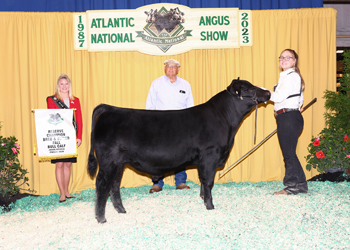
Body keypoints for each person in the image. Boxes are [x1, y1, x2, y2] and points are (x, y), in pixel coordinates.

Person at [146, 59, 194, 193]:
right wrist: (150, 123)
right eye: (168, 66)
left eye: (173, 66)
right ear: (165, 68)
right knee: (158, 153)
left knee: (182, 153)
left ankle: (181, 182)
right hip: (160, 123)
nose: (171, 68)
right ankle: (157, 183)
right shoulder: (156, 83)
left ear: (178, 69)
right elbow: (150, 104)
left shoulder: (185, 84)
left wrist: (190, 123)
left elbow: (190, 106)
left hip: (181, 123)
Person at [270, 49, 308, 195]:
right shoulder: (289, 77)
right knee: (290, 153)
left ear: (294, 61)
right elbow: (300, 99)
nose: (284, 59)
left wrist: (263, 93)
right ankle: (301, 185)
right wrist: (296, 108)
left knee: (289, 154)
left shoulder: (291, 76)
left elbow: (279, 96)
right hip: (289, 116)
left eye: (288, 57)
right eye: (282, 57)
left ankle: (291, 186)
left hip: (288, 117)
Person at [47, 74, 83, 202]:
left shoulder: (76, 100)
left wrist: (79, 136)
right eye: (61, 84)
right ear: (58, 86)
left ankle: (67, 191)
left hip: (71, 136)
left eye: (66, 84)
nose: (64, 86)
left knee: (68, 164)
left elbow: (79, 120)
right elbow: (51, 117)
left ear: (69, 86)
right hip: (58, 136)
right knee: (59, 164)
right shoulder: (52, 100)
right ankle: (62, 193)